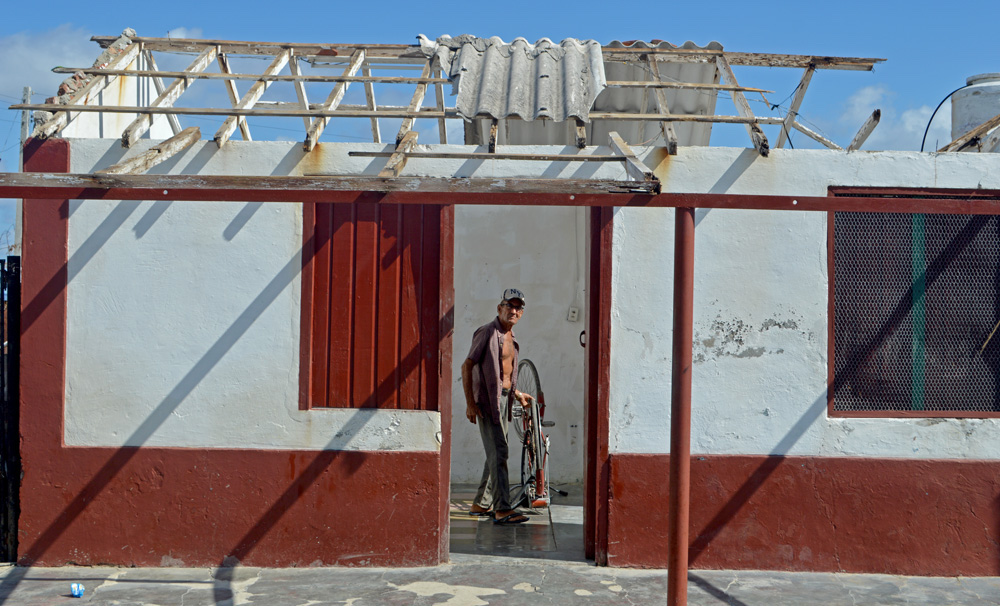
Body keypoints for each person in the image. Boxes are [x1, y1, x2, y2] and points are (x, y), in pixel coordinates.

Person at [462, 288, 534, 525]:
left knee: (495, 452)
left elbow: (504, 377)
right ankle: (502, 509)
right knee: (500, 451)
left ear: (521, 314)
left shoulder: (511, 339)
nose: (513, 311)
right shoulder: (487, 332)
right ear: (499, 308)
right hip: (487, 402)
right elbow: (467, 365)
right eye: (509, 306)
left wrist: (519, 395)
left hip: (504, 400)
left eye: (518, 308)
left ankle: (481, 504)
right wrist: (470, 404)